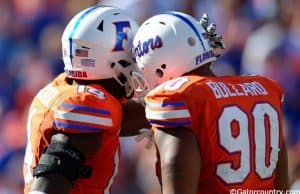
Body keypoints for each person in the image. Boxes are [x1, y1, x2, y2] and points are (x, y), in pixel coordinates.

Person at [132, 12, 288, 194]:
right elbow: (282, 186)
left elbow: (179, 179)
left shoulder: (179, 99)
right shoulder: (263, 90)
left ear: (160, 67)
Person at [23, 5, 150, 194]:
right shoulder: (86, 108)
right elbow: (45, 187)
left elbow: (133, 116)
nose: (136, 65)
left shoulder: (65, 88)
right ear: (112, 61)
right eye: (131, 57)